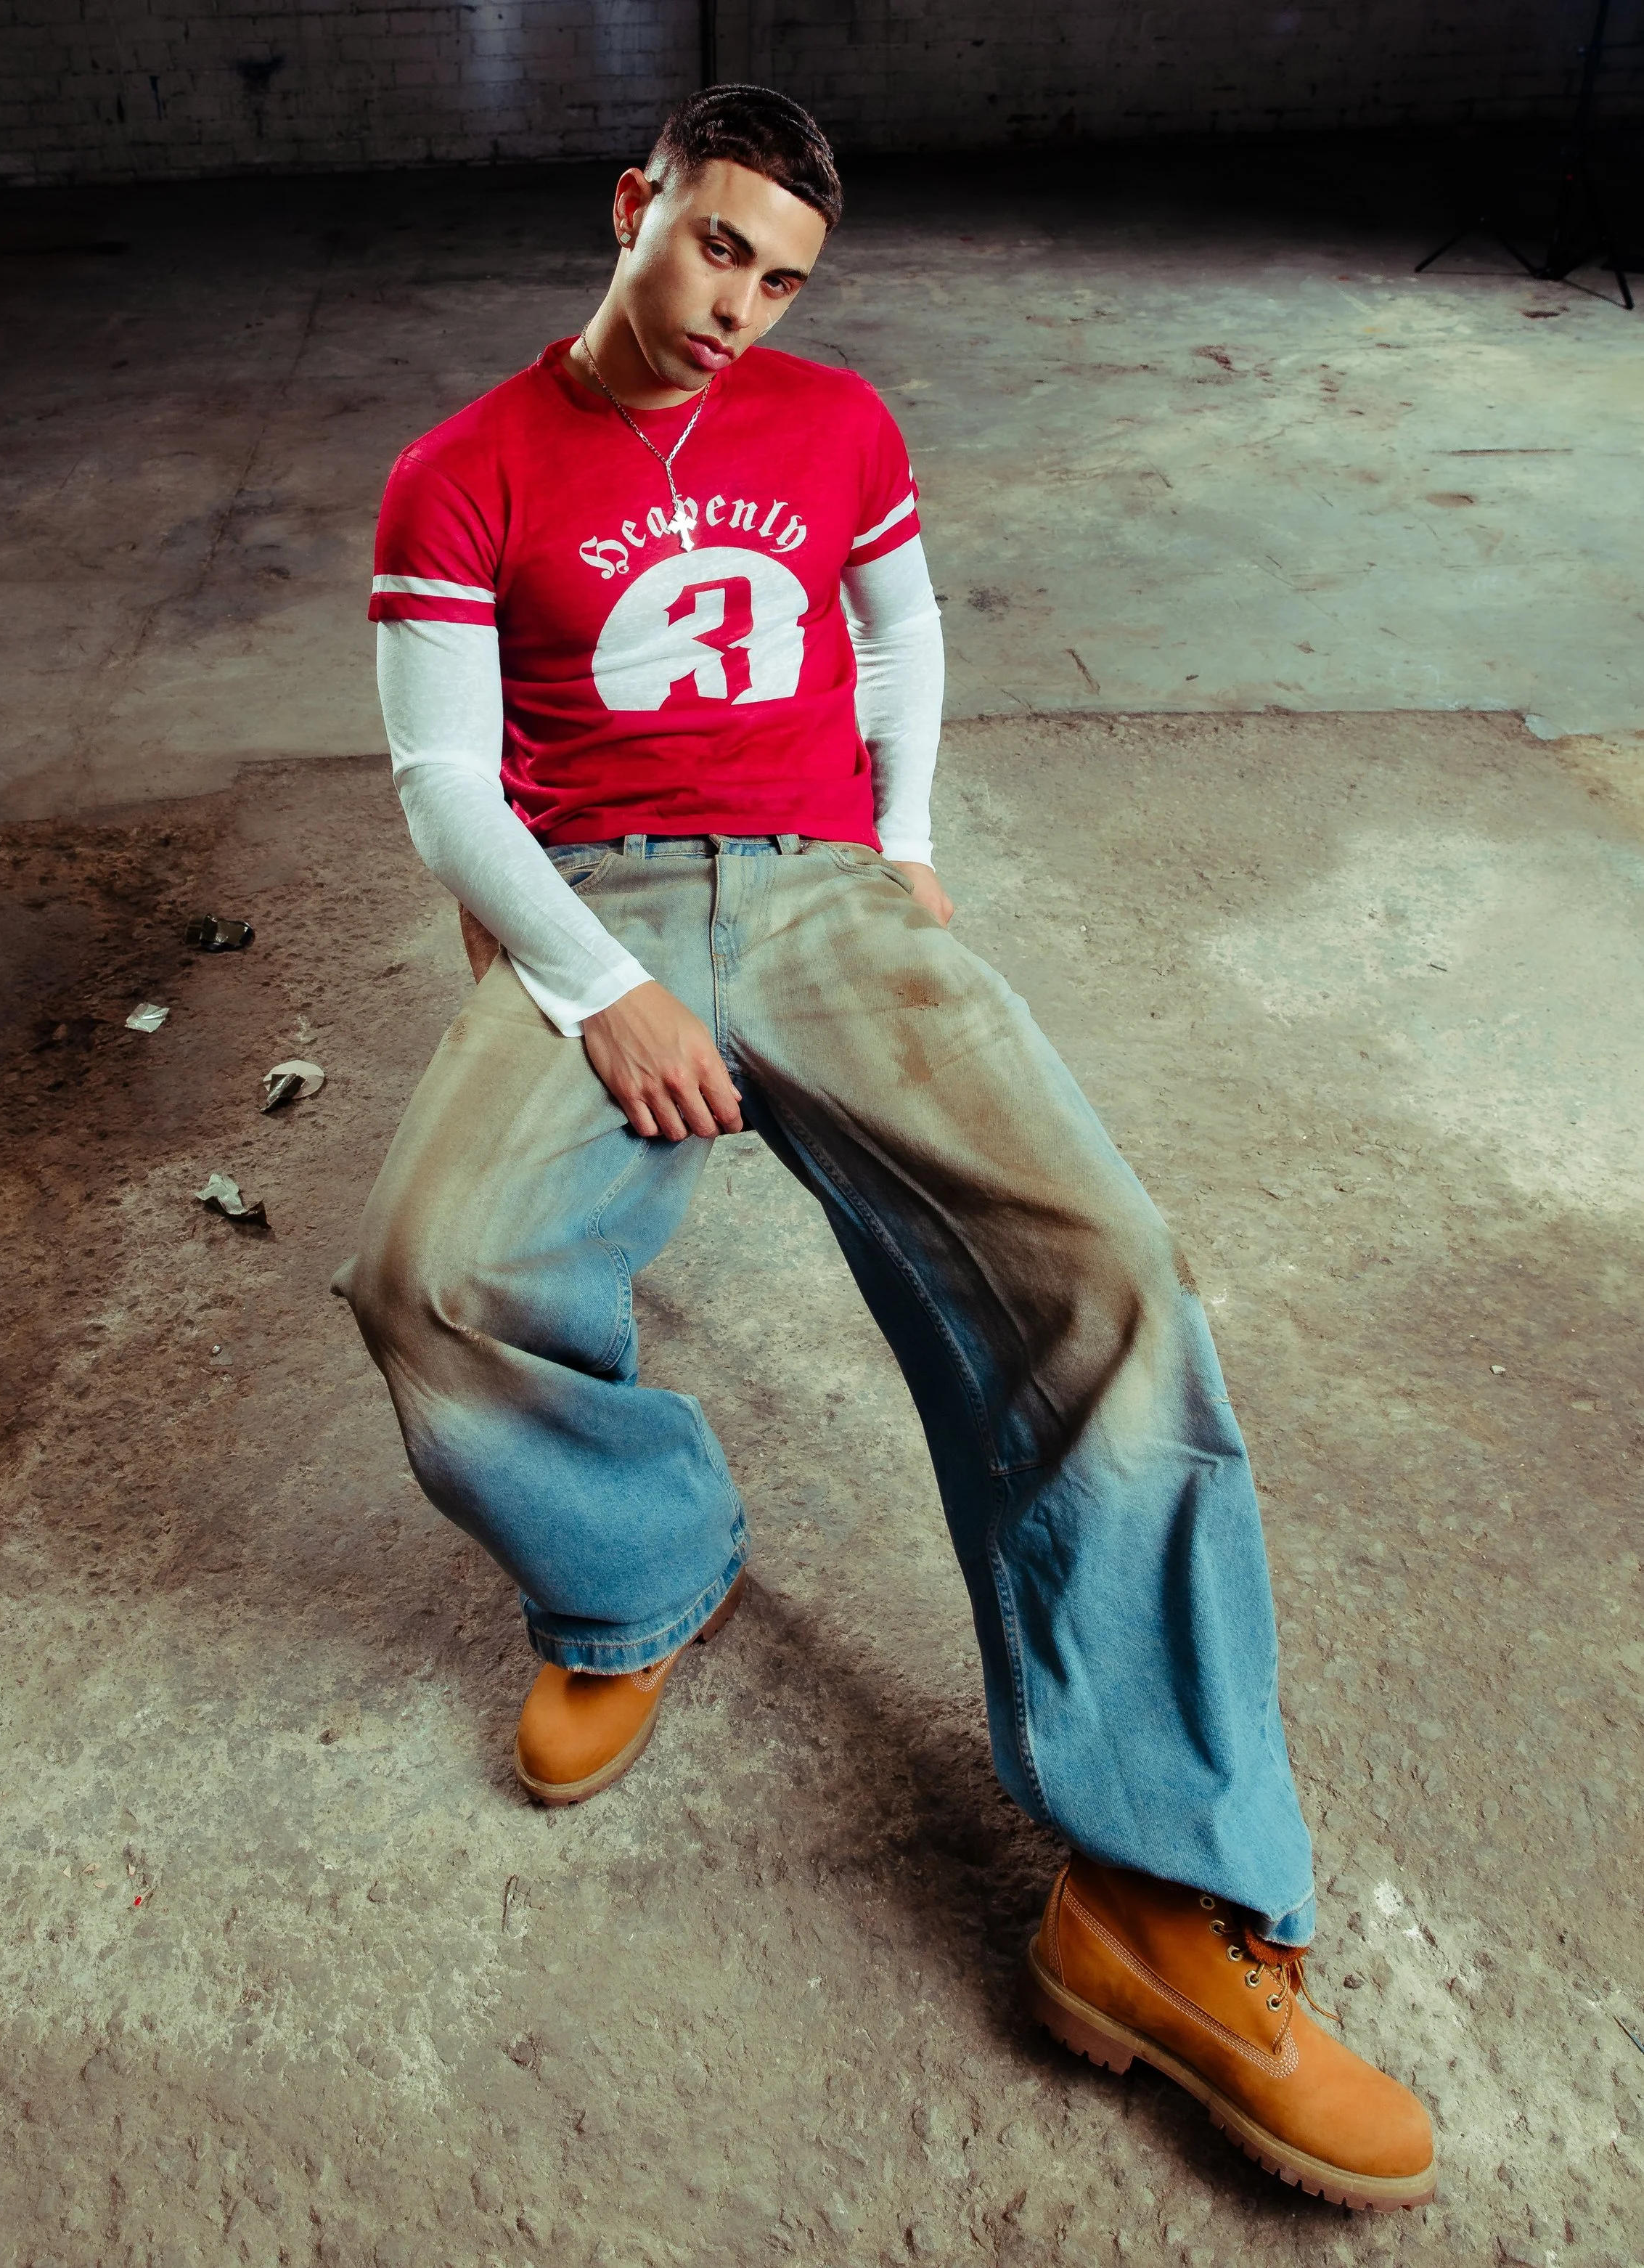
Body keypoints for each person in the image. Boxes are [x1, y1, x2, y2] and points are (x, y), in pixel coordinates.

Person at [335, 83, 1436, 2212]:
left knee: (1104, 1272)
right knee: (431, 1273)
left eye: (781, 274)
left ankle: (1151, 1895)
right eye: (713, 246)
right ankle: (638, 1571)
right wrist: (594, 989)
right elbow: (445, 785)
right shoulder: (457, 467)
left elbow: (904, 626)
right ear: (632, 205)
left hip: (823, 881)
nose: (739, 303)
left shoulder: (836, 426)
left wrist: (903, 842)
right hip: (607, 903)